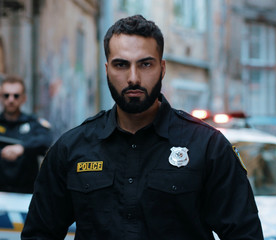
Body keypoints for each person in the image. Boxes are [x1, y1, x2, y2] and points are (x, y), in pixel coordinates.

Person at [21, 15, 263, 239]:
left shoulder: (208, 146)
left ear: (162, 68)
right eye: (121, 65)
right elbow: (39, 234)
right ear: (107, 70)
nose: (133, 78)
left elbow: (244, 234)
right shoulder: (71, 148)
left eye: (145, 64)